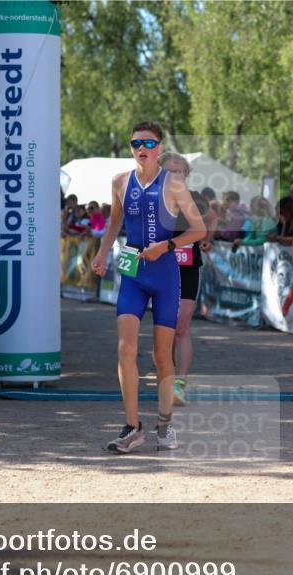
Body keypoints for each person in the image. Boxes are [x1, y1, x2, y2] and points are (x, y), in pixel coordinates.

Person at [90, 121, 206, 454]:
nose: (143, 148)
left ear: (159, 148)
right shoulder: (120, 182)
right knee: (125, 349)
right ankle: (132, 427)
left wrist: (166, 247)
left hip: (166, 275)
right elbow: (114, 221)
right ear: (131, 148)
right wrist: (101, 254)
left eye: (150, 143)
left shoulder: (174, 184)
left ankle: (165, 424)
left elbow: (198, 230)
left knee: (160, 356)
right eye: (137, 143)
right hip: (133, 273)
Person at [157, 151, 217, 407]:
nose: (174, 176)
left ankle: (179, 385)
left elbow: (212, 218)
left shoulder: (194, 199)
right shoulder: (152, 198)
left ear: (187, 175)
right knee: (165, 329)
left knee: (181, 327)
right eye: (169, 172)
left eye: (179, 172)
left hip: (188, 266)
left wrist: (207, 239)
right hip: (160, 267)